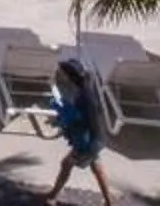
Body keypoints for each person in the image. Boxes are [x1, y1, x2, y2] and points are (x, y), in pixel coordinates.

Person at [43, 56, 114, 205]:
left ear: (70, 76)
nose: (60, 74)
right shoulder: (85, 89)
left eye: (63, 73)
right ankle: (109, 201)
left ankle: (53, 196)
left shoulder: (82, 96)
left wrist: (60, 111)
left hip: (86, 141)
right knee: (96, 166)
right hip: (94, 137)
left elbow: (77, 117)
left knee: (66, 164)